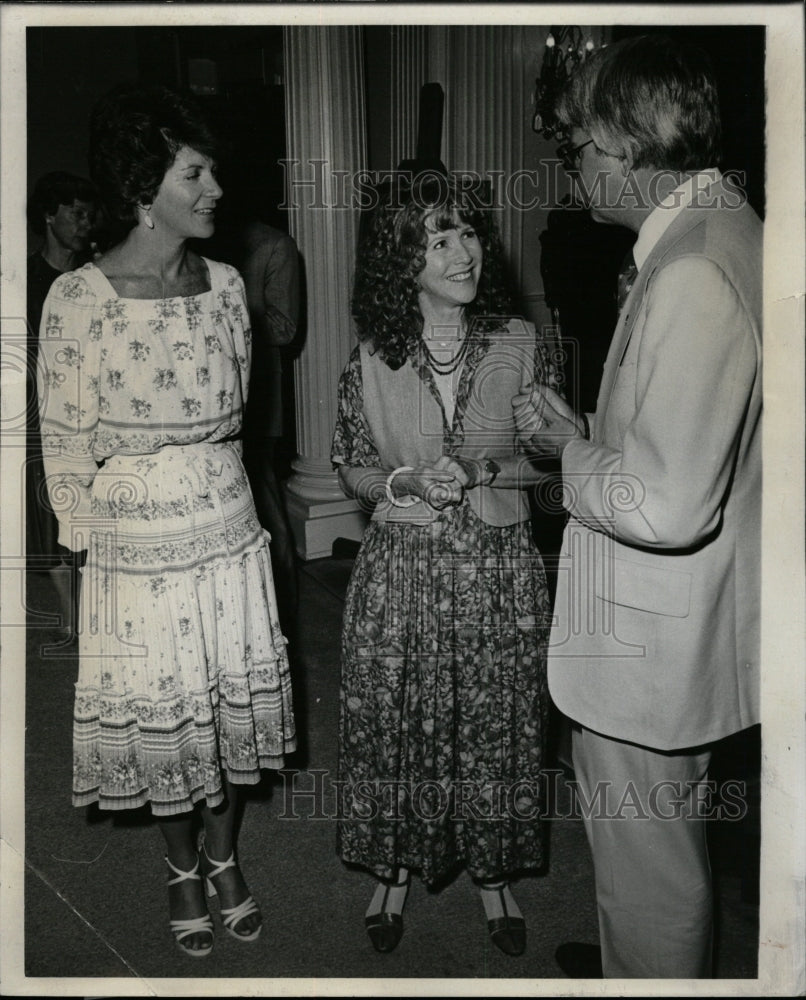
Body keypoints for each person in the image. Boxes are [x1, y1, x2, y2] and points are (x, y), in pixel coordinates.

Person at [512, 34, 762, 978]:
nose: (574, 164)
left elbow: (665, 506)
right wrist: (590, 429)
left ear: (623, 144)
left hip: (653, 648)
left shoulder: (693, 270)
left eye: (578, 142)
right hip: (690, 627)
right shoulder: (725, 229)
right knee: (656, 855)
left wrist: (567, 449)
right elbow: (690, 450)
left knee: (651, 873)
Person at [37, 85, 296, 958]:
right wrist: (87, 573)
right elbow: (64, 444)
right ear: (147, 187)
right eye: (197, 170)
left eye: (213, 167)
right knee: (166, 718)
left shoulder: (226, 287)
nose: (217, 186)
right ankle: (182, 866)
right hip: (136, 551)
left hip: (226, 538)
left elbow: (241, 415)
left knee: (224, 713)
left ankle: (225, 858)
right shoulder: (78, 299)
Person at [331, 177, 559, 956]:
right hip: (403, 571)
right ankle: (393, 869)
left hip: (498, 570)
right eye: (439, 240)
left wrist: (495, 472)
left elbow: (553, 462)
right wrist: (402, 483)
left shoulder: (520, 341)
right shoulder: (370, 357)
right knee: (400, 724)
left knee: (495, 724)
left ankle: (493, 874)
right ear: (403, 263)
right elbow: (352, 465)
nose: (464, 253)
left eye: (468, 234)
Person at [204, 194, 300, 634]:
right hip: (206, 396)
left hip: (257, 396)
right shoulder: (204, 238)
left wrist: (231, 308)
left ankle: (284, 613)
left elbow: (285, 327)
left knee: (264, 496)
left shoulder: (274, 244)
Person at [26, 172, 98, 634]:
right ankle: (73, 618)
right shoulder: (25, 278)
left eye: (89, 213)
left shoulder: (97, 276)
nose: (85, 221)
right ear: (49, 216)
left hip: (92, 405)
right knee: (44, 508)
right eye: (75, 211)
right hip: (39, 407)